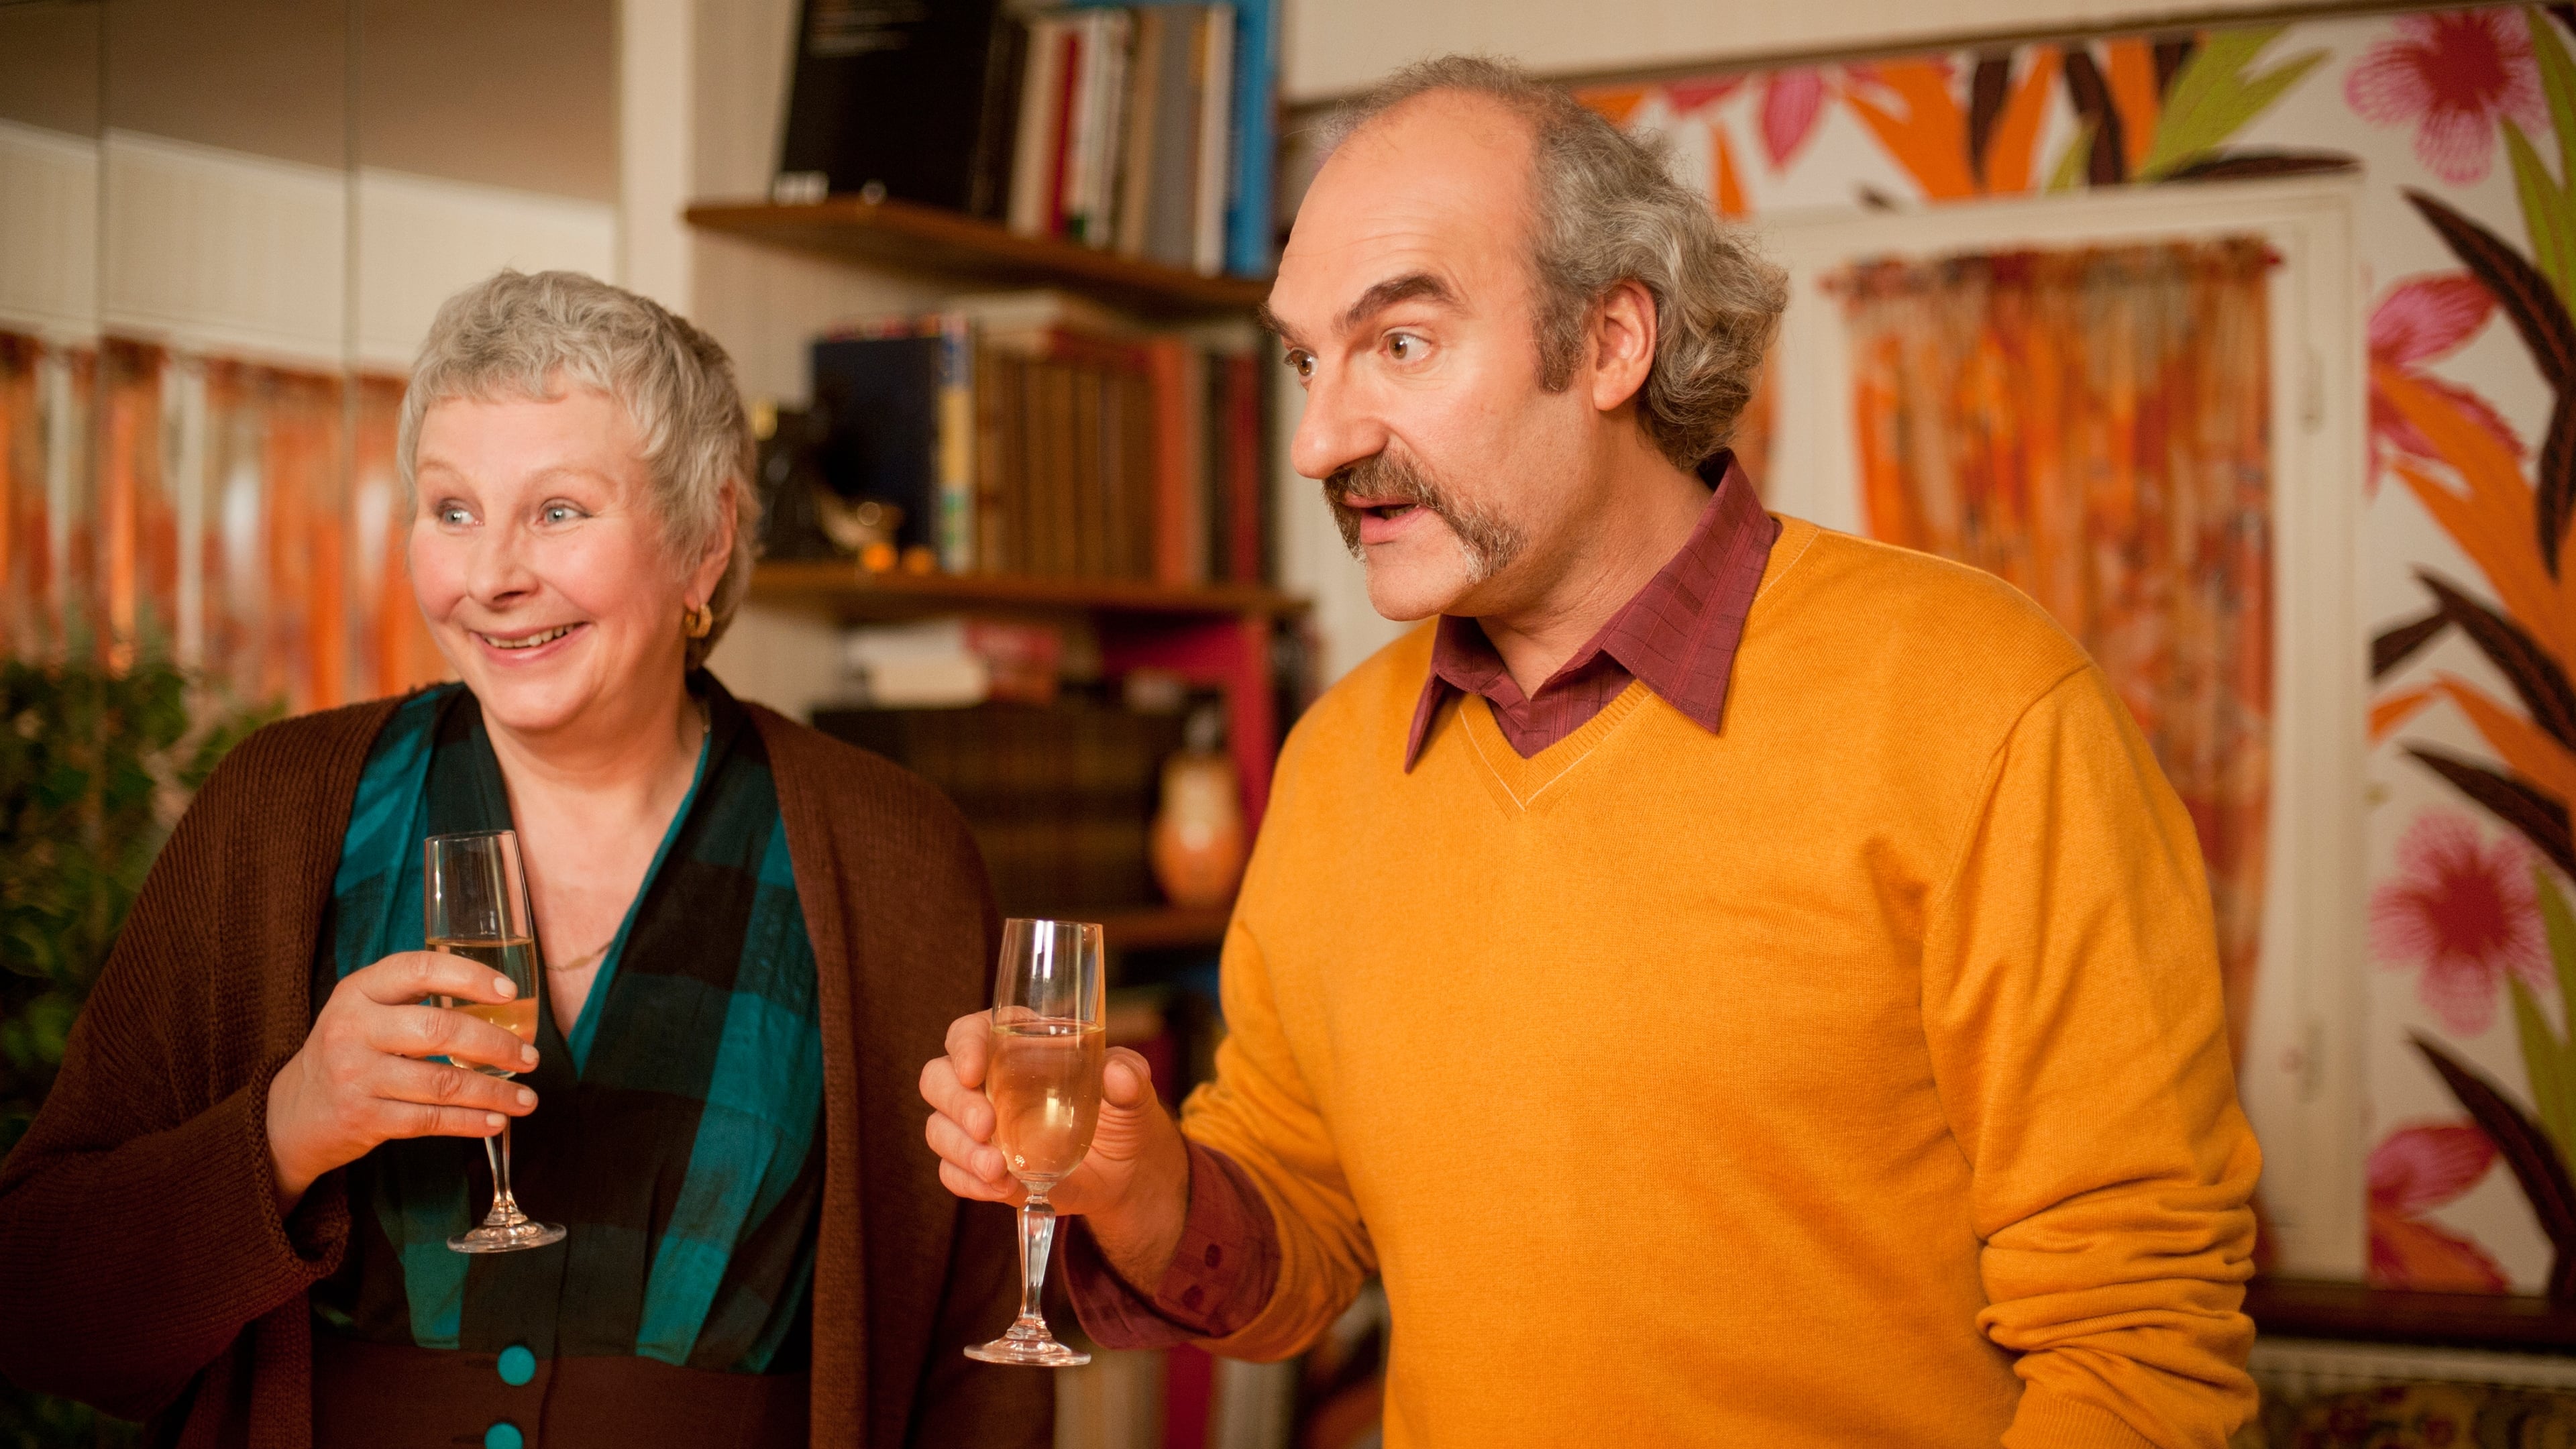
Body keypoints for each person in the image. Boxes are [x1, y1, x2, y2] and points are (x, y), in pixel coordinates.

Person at [920, 56, 2259, 1448]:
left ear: (1613, 341)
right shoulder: (1335, 762)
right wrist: (1141, 1189)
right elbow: (1300, 1246)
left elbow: (2136, 1333)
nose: (1319, 440)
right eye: (1308, 360)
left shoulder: (1983, 702)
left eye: (1402, 344)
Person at [0, 270, 1049, 1449]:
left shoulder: (891, 854)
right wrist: (290, 1126)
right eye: (452, 510)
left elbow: (983, 1365)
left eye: (557, 511)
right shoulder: (277, 811)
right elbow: (34, 1301)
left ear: (705, 541)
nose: (492, 576)